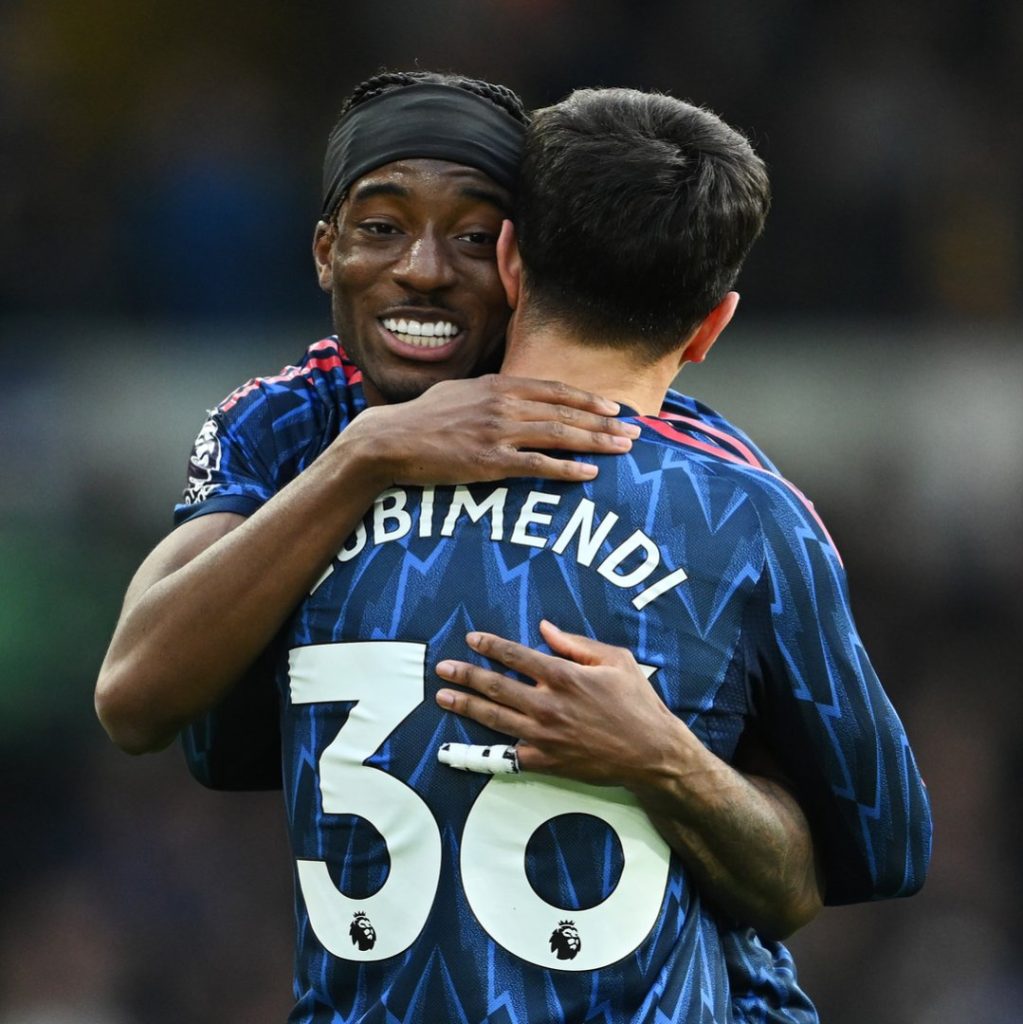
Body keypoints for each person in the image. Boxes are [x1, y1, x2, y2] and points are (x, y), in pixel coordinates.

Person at [88, 71, 898, 1021]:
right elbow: (134, 698)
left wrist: (663, 758)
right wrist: (367, 457)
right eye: (381, 227)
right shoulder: (293, 426)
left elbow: (822, 858)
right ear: (324, 251)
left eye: (471, 237)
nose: (424, 269)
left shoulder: (679, 472)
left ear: (520, 264)